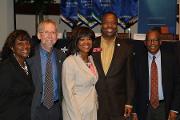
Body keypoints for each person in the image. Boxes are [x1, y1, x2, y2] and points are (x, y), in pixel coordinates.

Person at [92, 11, 135, 120]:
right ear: (101, 25)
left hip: (118, 105)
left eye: (113, 23)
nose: (109, 26)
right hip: (94, 103)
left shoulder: (126, 48)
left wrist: (129, 103)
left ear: (117, 25)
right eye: (106, 23)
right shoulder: (91, 45)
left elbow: (130, 78)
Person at [133, 29, 180, 120]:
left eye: (155, 40)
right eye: (149, 40)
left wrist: (174, 109)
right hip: (144, 108)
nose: (152, 43)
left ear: (160, 42)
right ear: (145, 43)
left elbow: (178, 85)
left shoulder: (171, 59)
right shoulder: (138, 61)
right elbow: (134, 86)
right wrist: (134, 111)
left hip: (165, 107)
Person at [27, 19, 66, 120]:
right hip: (36, 107)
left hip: (56, 109)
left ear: (57, 36)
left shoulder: (62, 56)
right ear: (39, 36)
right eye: (46, 32)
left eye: (53, 32)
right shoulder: (29, 56)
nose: (50, 36)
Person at [62, 26, 98, 120]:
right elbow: (68, 94)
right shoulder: (70, 62)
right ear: (76, 41)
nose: (86, 42)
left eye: (89, 39)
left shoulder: (91, 59)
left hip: (91, 110)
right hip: (76, 112)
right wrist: (76, 117)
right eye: (82, 39)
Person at [0, 30, 34, 120]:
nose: (25, 46)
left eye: (27, 42)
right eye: (20, 44)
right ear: (12, 47)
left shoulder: (26, 65)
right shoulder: (6, 67)